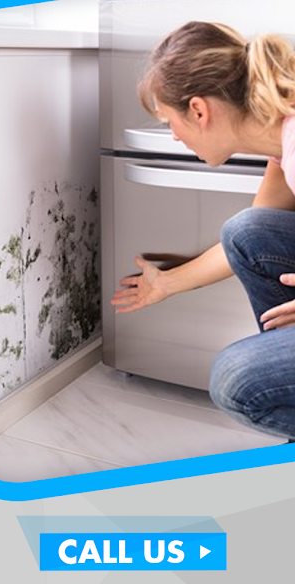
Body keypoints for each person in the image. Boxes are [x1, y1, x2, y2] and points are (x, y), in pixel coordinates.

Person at [110, 21, 295, 440]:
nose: (173, 136)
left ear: (198, 109)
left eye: (168, 121)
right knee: (246, 230)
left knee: (235, 382)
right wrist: (167, 284)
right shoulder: (283, 145)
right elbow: (246, 242)